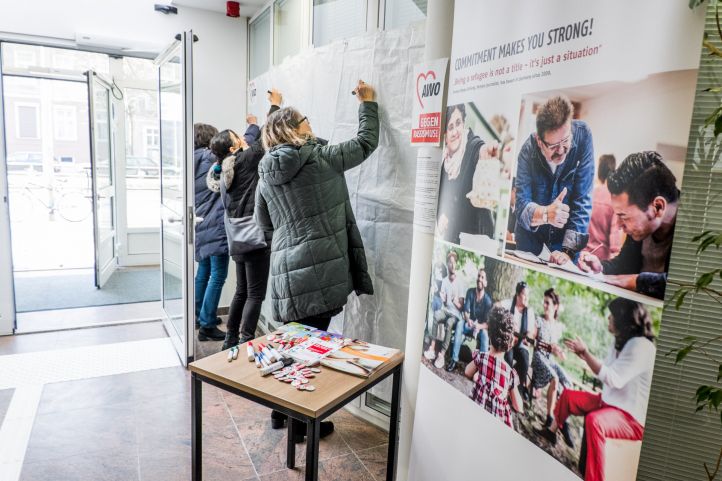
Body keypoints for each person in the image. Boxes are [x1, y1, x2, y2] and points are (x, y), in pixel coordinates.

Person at [254, 80, 379, 440]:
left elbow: (264, 225)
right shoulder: (319, 159)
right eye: (306, 119)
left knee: (290, 344)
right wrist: (367, 104)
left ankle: (280, 412)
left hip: (284, 272)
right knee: (310, 349)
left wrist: (287, 245)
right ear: (295, 128)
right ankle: (299, 427)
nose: (311, 123)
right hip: (319, 270)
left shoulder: (266, 175)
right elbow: (364, 143)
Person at [538, 298, 656, 481]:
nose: (609, 318)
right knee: (569, 395)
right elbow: (604, 372)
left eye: (613, 315)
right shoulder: (620, 342)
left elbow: (613, 379)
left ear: (623, 319)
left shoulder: (641, 346)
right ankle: (551, 432)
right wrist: (584, 356)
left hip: (630, 418)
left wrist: (586, 353)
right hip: (607, 402)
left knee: (595, 421)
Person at [209, 91, 282, 350]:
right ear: (234, 147)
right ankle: (245, 340)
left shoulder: (223, 169)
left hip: (237, 238)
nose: (243, 139)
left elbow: (252, 137)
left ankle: (230, 339)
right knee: (255, 293)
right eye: (238, 138)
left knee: (241, 290)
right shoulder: (246, 161)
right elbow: (265, 138)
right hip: (254, 236)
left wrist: (251, 124)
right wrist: (274, 106)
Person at [577, 151, 678, 299]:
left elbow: (683, 284)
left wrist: (634, 281)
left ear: (657, 208)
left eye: (623, 217)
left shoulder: (696, 234)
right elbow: (625, 263)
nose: (618, 225)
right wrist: (601, 267)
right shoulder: (640, 228)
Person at [514, 95, 594, 265]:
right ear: (539, 140)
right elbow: (521, 206)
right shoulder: (527, 152)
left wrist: (568, 251)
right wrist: (545, 214)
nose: (562, 150)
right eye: (553, 146)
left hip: (564, 243)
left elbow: (583, 199)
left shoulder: (584, 136)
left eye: (566, 141)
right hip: (530, 243)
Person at [436, 103, 498, 245]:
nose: (455, 132)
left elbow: (479, 148)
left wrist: (486, 152)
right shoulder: (444, 161)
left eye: (458, 123)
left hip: (477, 239)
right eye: (450, 127)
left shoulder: (471, 145)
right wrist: (441, 216)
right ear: (444, 134)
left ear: (463, 123)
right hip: (452, 239)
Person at [193, 122, 228, 342]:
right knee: (218, 274)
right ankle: (207, 324)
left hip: (200, 222)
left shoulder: (192, 158)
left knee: (204, 271)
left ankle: (198, 316)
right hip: (215, 224)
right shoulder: (210, 158)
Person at [465, 306, 523, 429]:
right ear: (510, 343)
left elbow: (467, 372)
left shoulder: (481, 358)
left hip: (476, 413)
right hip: (495, 423)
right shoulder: (509, 373)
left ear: (489, 335)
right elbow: (518, 406)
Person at [530, 288, 571, 429]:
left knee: (567, 382)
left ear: (555, 306)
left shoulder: (557, 327)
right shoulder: (538, 320)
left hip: (550, 360)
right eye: (544, 302)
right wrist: (549, 347)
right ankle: (549, 417)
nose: (544, 305)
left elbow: (556, 350)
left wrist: (559, 352)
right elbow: (531, 340)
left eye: (547, 303)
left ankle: (563, 420)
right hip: (539, 357)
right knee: (555, 378)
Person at [423, 251, 465, 371]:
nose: (451, 265)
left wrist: (455, 301)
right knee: (436, 315)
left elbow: (461, 306)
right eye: (449, 262)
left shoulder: (460, 282)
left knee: (449, 323)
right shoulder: (445, 280)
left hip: (455, 315)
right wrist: (444, 299)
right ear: (447, 264)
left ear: (456, 264)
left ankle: (441, 355)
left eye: (453, 262)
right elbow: (445, 303)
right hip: (446, 310)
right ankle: (432, 348)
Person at [446, 267, 493, 372]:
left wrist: (479, 326)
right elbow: (466, 312)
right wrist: (468, 320)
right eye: (478, 276)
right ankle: (454, 360)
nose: (479, 279)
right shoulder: (470, 292)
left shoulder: (488, 301)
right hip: (469, 324)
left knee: (485, 335)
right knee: (459, 324)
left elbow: (488, 324)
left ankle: (481, 369)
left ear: (485, 282)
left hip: (480, 328)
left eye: (482, 277)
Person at [584, 154, 622, 261]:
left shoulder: (589, 194)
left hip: (582, 255)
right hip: (600, 261)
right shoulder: (614, 199)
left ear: (599, 171)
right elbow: (614, 239)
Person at [503, 281, 536, 402]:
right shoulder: (508, 304)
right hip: (510, 342)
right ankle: (504, 385)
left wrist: (527, 336)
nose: (527, 298)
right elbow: (497, 307)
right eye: (524, 294)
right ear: (517, 294)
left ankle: (518, 388)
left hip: (521, 344)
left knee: (525, 358)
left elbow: (530, 332)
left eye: (528, 295)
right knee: (508, 356)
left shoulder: (529, 312)